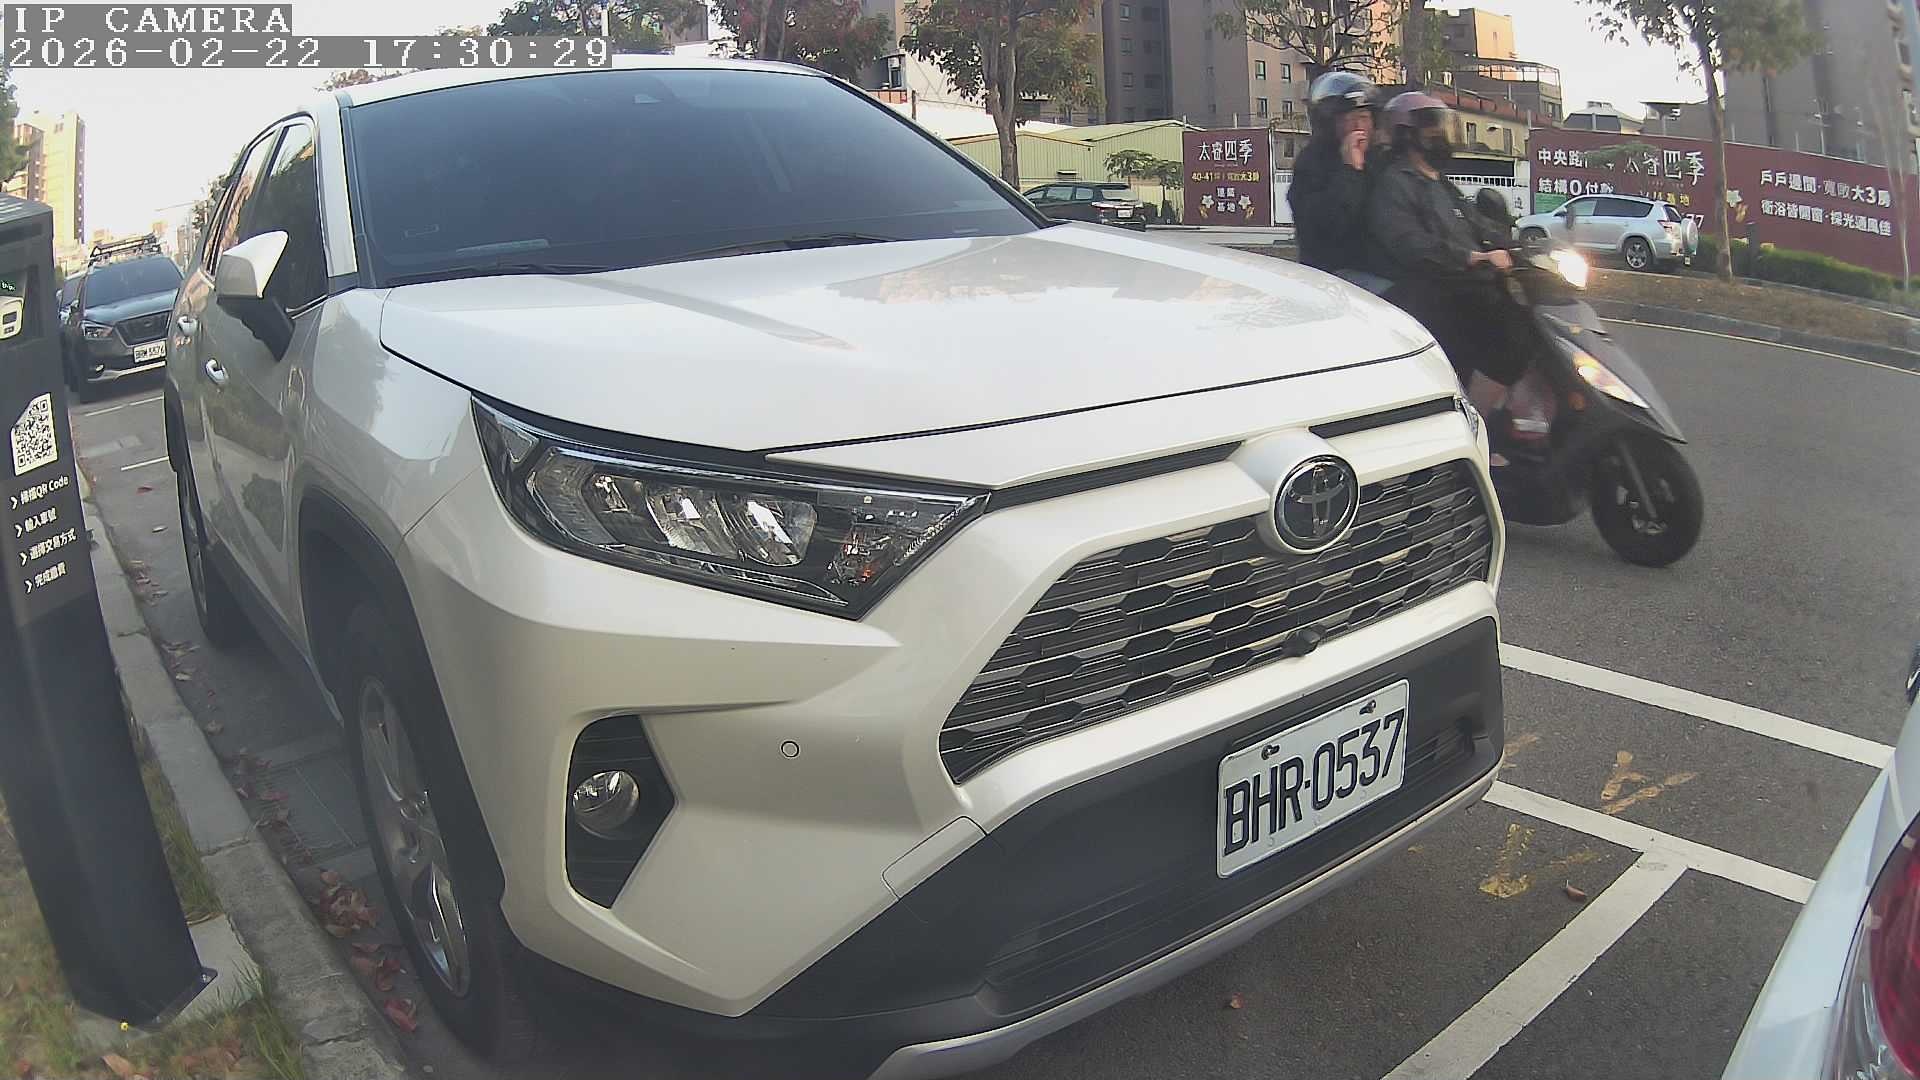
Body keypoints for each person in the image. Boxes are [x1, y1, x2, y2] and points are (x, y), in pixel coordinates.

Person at [1364, 92, 1531, 389]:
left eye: (1442, 128)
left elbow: (1477, 224)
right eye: (1432, 129)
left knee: (1525, 321)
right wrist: (1472, 257)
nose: (1441, 136)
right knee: (1498, 334)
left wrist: (1516, 245)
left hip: (1471, 281)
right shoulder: (1394, 184)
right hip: (1436, 288)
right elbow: (1410, 242)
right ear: (1407, 135)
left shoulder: (1441, 183)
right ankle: (1478, 406)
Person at [1289, 72, 1383, 283]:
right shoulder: (1312, 164)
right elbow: (1326, 226)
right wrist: (1350, 171)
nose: (1358, 126)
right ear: (1329, 124)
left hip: (1383, 266)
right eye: (1348, 119)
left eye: (1364, 117)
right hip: (1335, 275)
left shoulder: (1379, 159)